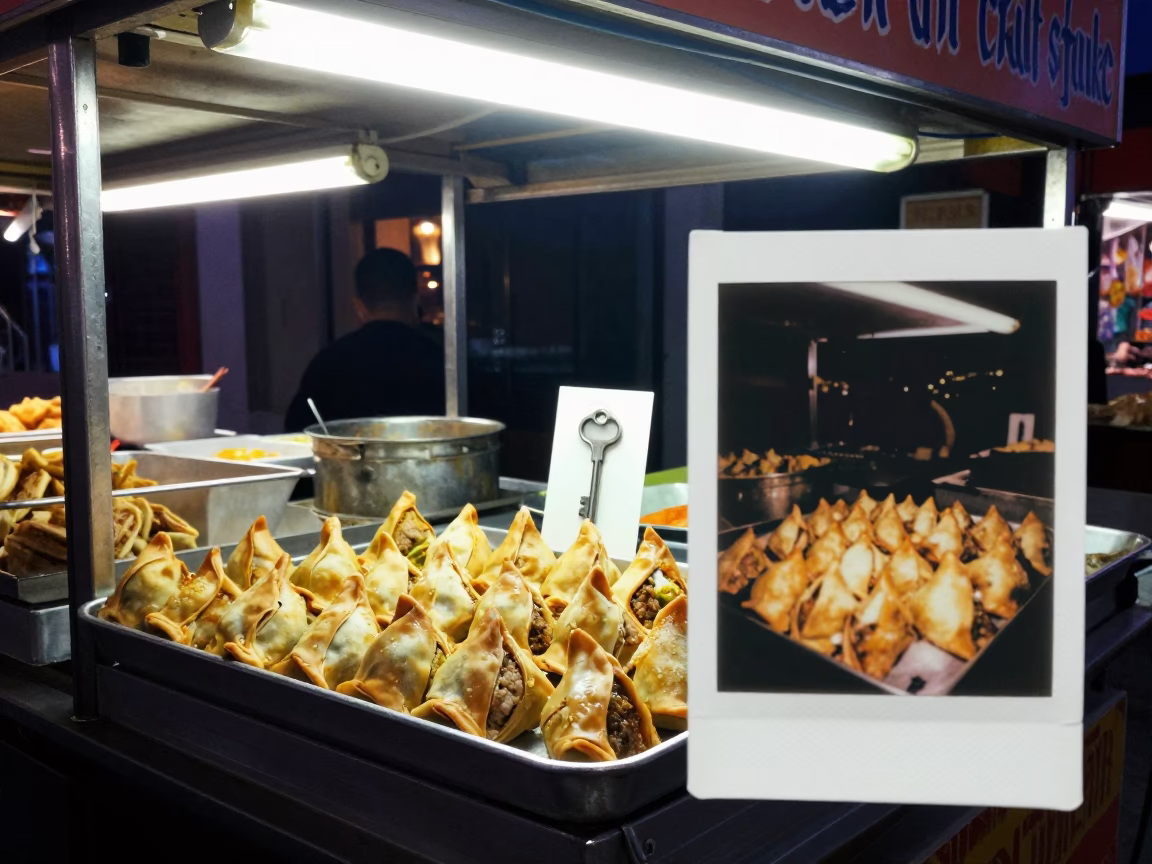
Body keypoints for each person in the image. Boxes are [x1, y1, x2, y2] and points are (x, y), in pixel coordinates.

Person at [285, 248, 446, 431]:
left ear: (359, 305)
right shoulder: (443, 358)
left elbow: (297, 432)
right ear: (415, 299)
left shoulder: (328, 363)